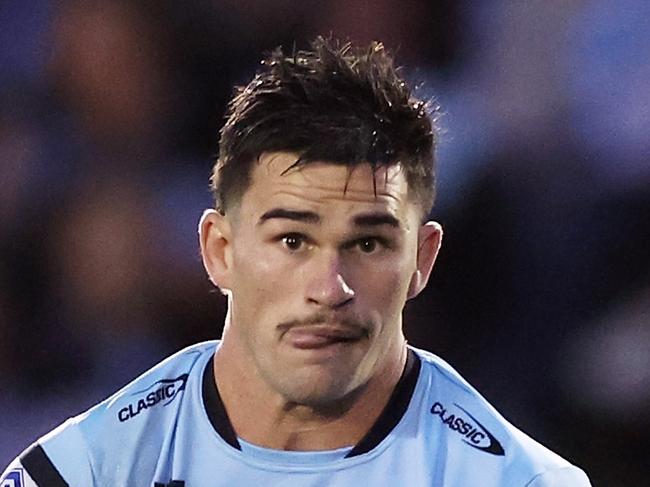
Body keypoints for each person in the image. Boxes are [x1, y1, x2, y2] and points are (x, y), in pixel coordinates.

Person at [1, 37, 591, 486]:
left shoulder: (514, 480)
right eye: (292, 241)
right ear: (220, 251)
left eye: (368, 244)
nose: (329, 289)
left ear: (422, 258)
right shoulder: (85, 472)